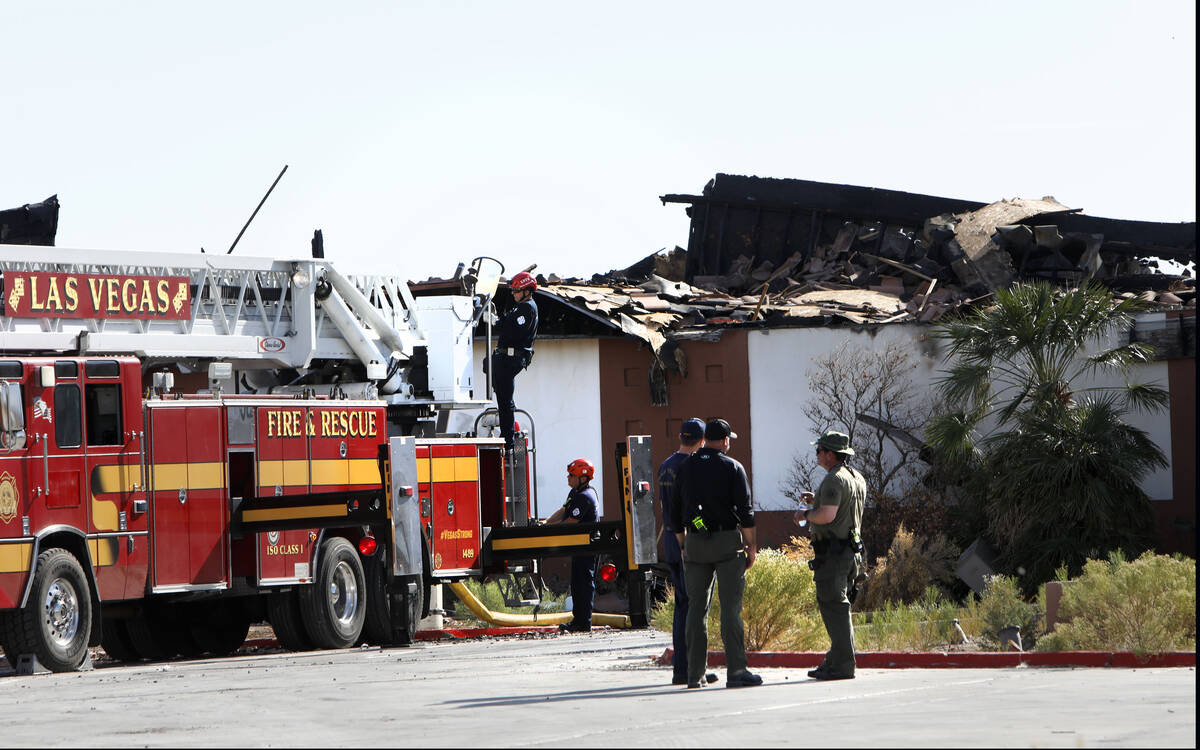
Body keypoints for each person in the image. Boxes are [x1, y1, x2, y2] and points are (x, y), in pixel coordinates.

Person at [670, 419, 763, 689]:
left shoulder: (685, 467)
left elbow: (675, 513)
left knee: (696, 610)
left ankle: (694, 674)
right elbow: (745, 512)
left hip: (696, 542)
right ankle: (736, 671)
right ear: (724, 441)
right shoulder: (733, 467)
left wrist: (684, 543)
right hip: (726, 543)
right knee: (730, 610)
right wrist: (751, 546)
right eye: (728, 439)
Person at [794, 430, 867, 681]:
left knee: (834, 606)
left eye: (820, 450)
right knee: (839, 607)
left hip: (834, 554)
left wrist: (804, 515)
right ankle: (835, 660)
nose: (817, 454)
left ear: (830, 454)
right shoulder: (856, 477)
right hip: (850, 553)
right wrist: (817, 501)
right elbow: (839, 507)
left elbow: (827, 516)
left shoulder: (834, 479)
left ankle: (843, 664)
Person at [656, 417, 708, 685]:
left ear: (680, 436)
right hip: (686, 540)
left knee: (681, 606)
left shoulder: (666, 466)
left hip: (669, 540)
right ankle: (690, 667)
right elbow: (691, 511)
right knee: (693, 607)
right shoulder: (692, 467)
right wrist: (704, 528)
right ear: (701, 441)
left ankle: (682, 667)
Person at [543, 458, 598, 633]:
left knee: (584, 584)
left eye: (571, 475)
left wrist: (550, 531)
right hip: (578, 547)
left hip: (587, 547)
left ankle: (583, 623)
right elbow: (563, 511)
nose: (568, 478)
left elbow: (570, 522)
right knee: (577, 584)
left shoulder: (584, 497)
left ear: (583, 478)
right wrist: (546, 523)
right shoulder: (575, 493)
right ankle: (578, 621)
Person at [490, 271, 538, 451]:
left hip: (511, 358)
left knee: (505, 400)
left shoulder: (527, 308)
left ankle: (507, 440)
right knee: (501, 394)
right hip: (507, 357)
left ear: (527, 291)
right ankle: (507, 435)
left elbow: (511, 330)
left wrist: (497, 322)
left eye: (517, 290)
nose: (513, 293)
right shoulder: (522, 307)